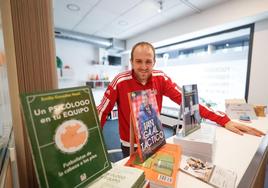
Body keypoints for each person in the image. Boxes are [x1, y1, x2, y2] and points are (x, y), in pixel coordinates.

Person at [97, 41, 265, 158]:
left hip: (154, 140)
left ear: (154, 62)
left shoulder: (161, 78)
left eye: (148, 61)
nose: (143, 66)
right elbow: (102, 111)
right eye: (138, 61)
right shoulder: (120, 80)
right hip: (129, 142)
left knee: (153, 178)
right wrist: (88, 147)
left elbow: (190, 103)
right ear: (131, 62)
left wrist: (224, 120)